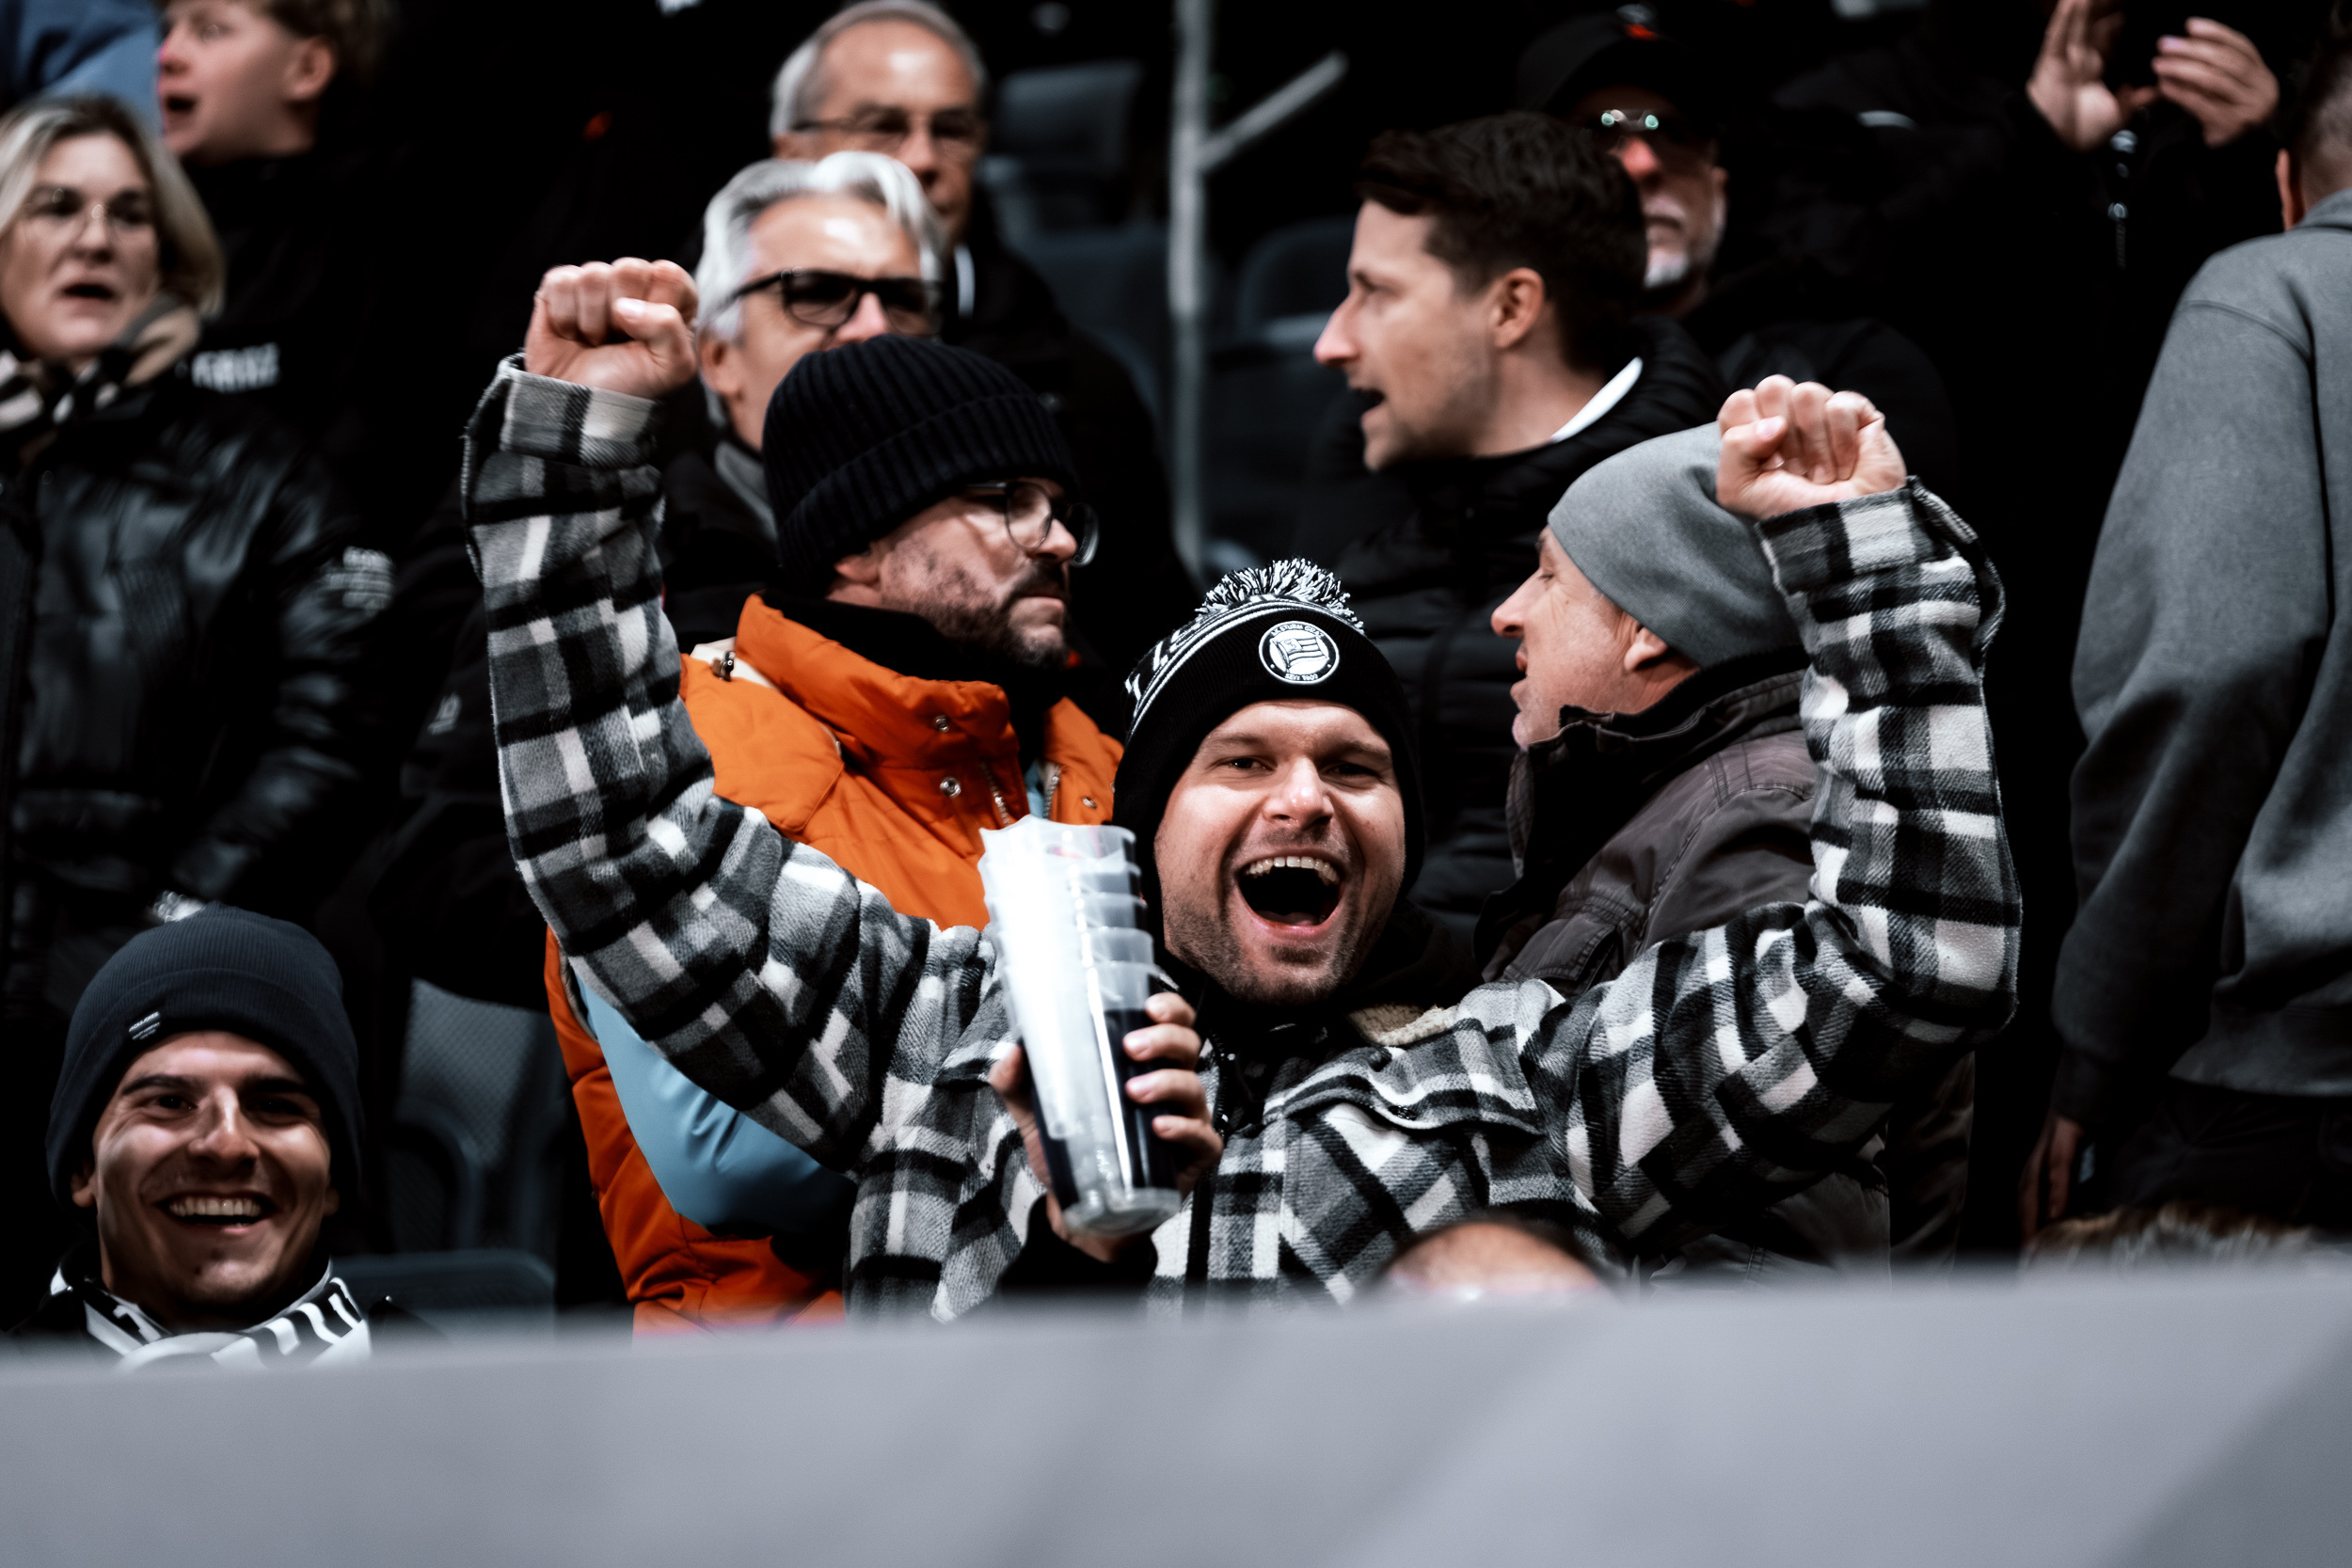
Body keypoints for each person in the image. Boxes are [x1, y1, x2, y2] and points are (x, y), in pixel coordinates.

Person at [459, 254, 2017, 1314]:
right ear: (1138, 832)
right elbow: (624, 844)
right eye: (1241, 761)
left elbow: (1908, 963)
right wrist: (575, 457)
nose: (1306, 797)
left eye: (1357, 766)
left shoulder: (1523, 1079)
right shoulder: (940, 1032)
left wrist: (1869, 577)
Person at [541, 321, 1124, 1331]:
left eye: (1065, 510)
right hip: (777, 1393)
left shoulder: (1099, 753)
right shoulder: (689, 743)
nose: (1059, 540)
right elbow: (732, 1155)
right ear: (856, 538)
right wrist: (1078, 1110)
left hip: (1073, 1353)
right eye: (1003, 500)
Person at [0, 95, 380, 1326]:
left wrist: (163, 935)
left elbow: (328, 731)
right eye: (56, 206)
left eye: (129, 213)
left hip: (141, 1004)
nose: (96, 239)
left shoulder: (257, 473)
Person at [1482, 403, 1975, 1278]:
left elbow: (1758, 1248)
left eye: (1550, 577)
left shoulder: (1758, 817)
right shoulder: (1688, 803)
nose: (1507, 613)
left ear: (1651, 627)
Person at [2023, 13, 2352, 1242]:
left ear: (2287, 181)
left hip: (2299, 1083)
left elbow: (2211, 668)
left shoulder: (2275, 291)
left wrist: (2096, 1040)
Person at [1304, 111, 1725, 947]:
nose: (1331, 342)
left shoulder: (1713, 552)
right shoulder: (1361, 503)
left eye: (1376, 292)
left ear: (1510, 307)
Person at [769, 0, 1196, 680]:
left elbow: (1157, 645)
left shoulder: (1081, 386)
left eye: (953, 129)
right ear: (790, 150)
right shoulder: (706, 347)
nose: (922, 158)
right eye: (882, 126)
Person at [1515, 7, 1959, 498]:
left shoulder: (1844, 372)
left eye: (1677, 133)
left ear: (1719, 187)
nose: (1642, 163)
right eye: (1594, 134)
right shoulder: (1472, 381)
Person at [11, 909, 383, 1366]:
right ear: (83, 1168)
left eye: (274, 1106)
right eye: (169, 1103)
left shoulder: (454, 1406)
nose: (226, 1145)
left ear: (332, 1178)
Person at [153, 0, 417, 540]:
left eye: (210, 30)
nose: (167, 55)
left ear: (307, 70)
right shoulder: (129, 227)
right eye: (167, 30)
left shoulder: (381, 228)